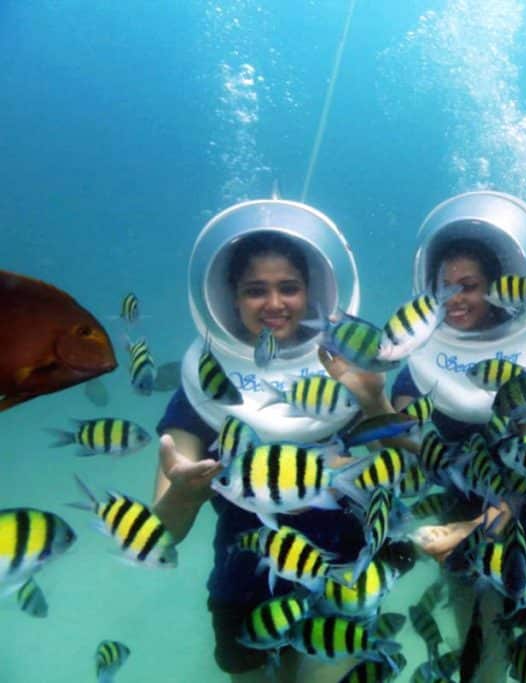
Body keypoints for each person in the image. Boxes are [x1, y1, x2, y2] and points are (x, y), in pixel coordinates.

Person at [152, 201, 388, 683]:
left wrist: (375, 403)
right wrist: (184, 490)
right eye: (255, 291)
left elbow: (397, 476)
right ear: (231, 298)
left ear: (312, 292)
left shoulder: (343, 373)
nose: (274, 304)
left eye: (289, 288)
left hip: (340, 573)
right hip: (243, 583)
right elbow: (163, 534)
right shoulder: (205, 384)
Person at [387, 191, 526, 681]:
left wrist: (490, 521)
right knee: (479, 643)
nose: (455, 299)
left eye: (468, 286)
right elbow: (403, 437)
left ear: (497, 289)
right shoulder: (423, 353)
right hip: (457, 522)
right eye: (444, 287)